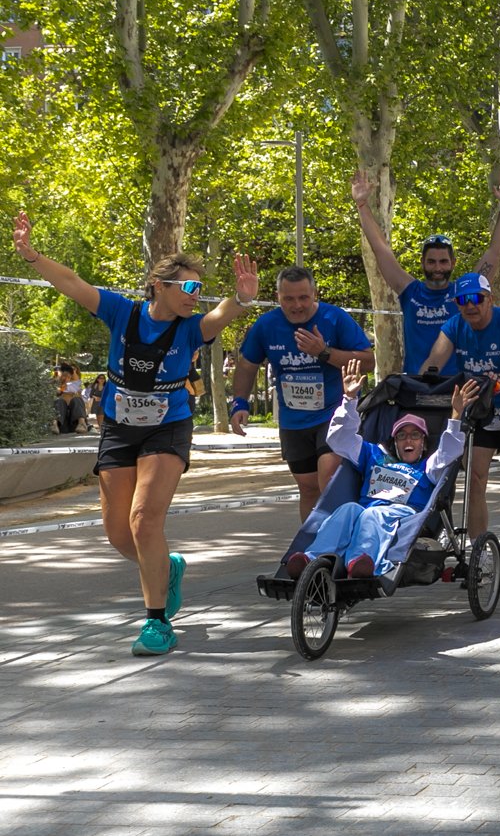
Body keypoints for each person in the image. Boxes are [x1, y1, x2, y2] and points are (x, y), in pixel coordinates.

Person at [13, 211, 258, 657]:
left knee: (145, 521)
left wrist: (240, 300)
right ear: (158, 285)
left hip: (168, 427)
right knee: (119, 534)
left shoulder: (190, 327)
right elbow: (70, 282)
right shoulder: (121, 313)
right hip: (119, 430)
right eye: (187, 287)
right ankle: (168, 567)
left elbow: (220, 316)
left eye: (199, 289)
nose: (194, 296)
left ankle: (157, 623)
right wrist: (32, 257)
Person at [284, 366, 476, 581]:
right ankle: (310, 560)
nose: (409, 440)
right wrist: (349, 398)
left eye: (415, 435)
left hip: (404, 517)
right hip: (366, 512)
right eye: (402, 436)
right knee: (347, 509)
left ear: (423, 442)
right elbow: (339, 438)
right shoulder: (374, 454)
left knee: (374, 514)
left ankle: (361, 562)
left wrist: (456, 417)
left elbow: (449, 451)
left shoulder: (429, 465)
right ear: (395, 442)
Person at [419, 273, 500, 570]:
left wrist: (498, 381)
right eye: (462, 300)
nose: (470, 306)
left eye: (476, 298)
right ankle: (480, 554)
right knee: (475, 479)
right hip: (479, 409)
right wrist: (421, 380)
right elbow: (434, 361)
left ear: (490, 299)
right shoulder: (454, 325)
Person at [229, 266, 376, 521]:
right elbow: (247, 366)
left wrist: (324, 352)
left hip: (334, 413)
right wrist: (239, 402)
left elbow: (368, 362)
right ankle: (312, 549)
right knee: (308, 488)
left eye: (303, 298)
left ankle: (340, 543)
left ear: (314, 294)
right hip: (294, 420)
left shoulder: (335, 319)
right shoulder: (266, 325)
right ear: (277, 296)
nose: (297, 305)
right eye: (289, 298)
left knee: (329, 476)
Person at [352, 170, 500, 374]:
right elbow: (380, 247)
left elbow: (495, 252)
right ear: (422, 263)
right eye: (431, 262)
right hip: (418, 385)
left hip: (456, 388)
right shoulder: (410, 291)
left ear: (453, 263)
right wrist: (362, 204)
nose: (437, 268)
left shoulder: (464, 294)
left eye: (443, 262)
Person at [52, 362, 90, 435]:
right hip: (61, 424)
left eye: (69, 377)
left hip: (73, 422)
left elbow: (76, 379)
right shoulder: (48, 384)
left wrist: (70, 368)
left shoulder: (71, 386)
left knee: (77, 399)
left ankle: (82, 424)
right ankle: (54, 424)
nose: (66, 379)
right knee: (59, 400)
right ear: (56, 373)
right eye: (64, 375)